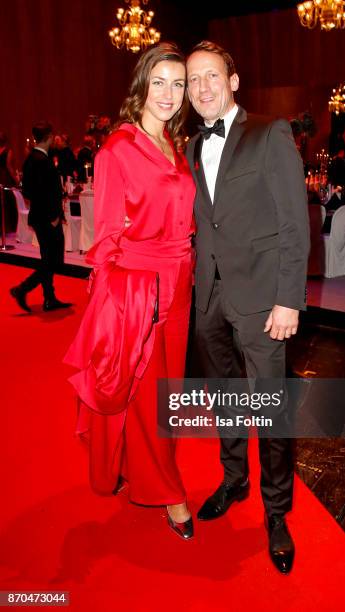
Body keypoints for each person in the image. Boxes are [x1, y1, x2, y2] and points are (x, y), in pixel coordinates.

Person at [186, 41, 309, 572]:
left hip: (264, 302)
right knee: (227, 401)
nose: (202, 88)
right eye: (193, 81)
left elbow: (293, 225)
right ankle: (234, 480)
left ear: (233, 82)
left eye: (212, 76)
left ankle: (277, 513)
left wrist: (288, 299)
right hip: (208, 299)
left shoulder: (268, 132)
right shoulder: (190, 146)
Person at [64, 43, 196, 539]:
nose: (169, 93)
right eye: (159, 82)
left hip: (181, 285)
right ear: (141, 86)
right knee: (144, 399)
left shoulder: (174, 145)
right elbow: (106, 241)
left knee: (169, 398)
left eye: (178, 84)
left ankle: (140, 468)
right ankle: (170, 493)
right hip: (141, 291)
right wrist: (119, 304)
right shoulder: (118, 149)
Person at [10, 121, 72, 313]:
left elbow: (28, 190)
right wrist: (53, 216)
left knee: (48, 259)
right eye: (52, 136)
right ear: (48, 137)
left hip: (40, 217)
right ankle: (23, 289)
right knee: (54, 261)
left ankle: (49, 298)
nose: (54, 138)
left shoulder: (32, 159)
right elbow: (42, 192)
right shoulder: (40, 161)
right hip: (47, 218)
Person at [0, 131, 19, 233]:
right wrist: (16, 180)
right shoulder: (8, 151)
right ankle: (9, 227)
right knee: (8, 202)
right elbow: (9, 167)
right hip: (5, 178)